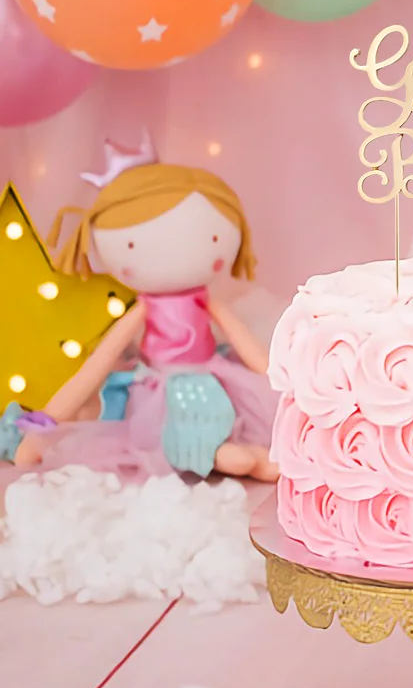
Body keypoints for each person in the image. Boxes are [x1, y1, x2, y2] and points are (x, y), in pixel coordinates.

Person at [9, 137, 278, 482]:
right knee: (177, 430)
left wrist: (284, 382)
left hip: (211, 376)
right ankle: (226, 457)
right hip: (160, 391)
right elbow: (97, 366)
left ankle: (236, 454)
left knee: (221, 417)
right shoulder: (144, 308)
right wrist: (49, 418)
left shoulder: (205, 300)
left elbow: (250, 350)